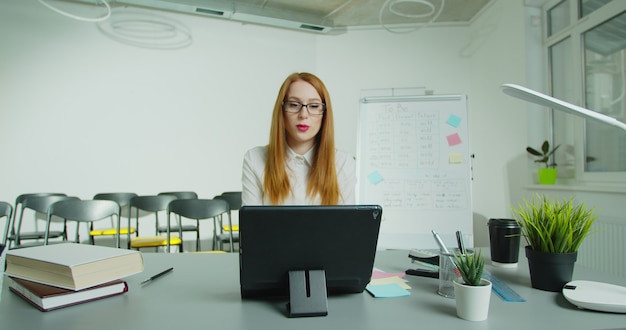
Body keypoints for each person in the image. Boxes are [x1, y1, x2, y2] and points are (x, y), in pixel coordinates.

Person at [242, 72, 356, 206]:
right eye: (294, 105)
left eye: (314, 106)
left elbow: (346, 225)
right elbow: (252, 225)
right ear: (282, 111)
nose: (303, 115)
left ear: (324, 114)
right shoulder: (255, 159)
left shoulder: (343, 163)